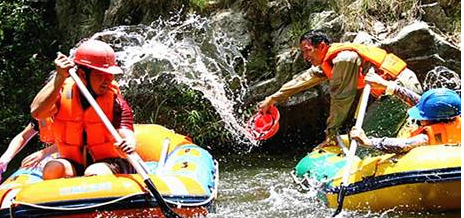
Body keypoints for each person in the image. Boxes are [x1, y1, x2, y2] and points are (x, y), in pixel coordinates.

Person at [258, 30, 423, 147]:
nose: (305, 57)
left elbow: (341, 98)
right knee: (368, 132)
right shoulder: (328, 61)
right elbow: (303, 79)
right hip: (392, 93)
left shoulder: (344, 59)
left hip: (401, 89)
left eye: (307, 51)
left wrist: (331, 133)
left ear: (322, 46)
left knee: (363, 139)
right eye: (302, 53)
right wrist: (273, 99)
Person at [30, 39, 136, 180]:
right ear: (82, 74)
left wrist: (127, 145)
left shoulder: (116, 102)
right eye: (100, 75)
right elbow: (37, 112)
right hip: (74, 162)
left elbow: (127, 135)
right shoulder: (62, 94)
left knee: (94, 172)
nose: (107, 80)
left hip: (110, 163)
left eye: (109, 75)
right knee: (52, 169)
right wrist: (60, 76)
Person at [349, 72, 461, 153]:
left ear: (436, 119)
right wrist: (387, 85)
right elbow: (420, 102)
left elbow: (402, 145)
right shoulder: (453, 115)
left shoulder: (425, 138)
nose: (420, 118)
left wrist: (368, 142)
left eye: (423, 116)